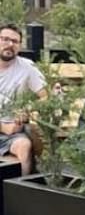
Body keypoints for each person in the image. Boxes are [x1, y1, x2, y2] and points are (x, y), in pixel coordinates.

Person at [0, 23, 46, 174]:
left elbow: (46, 97)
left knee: (24, 146)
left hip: (14, 132)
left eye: (15, 41)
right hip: (6, 127)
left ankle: (22, 185)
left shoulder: (27, 67)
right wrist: (3, 127)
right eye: (5, 39)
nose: (10, 44)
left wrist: (28, 110)